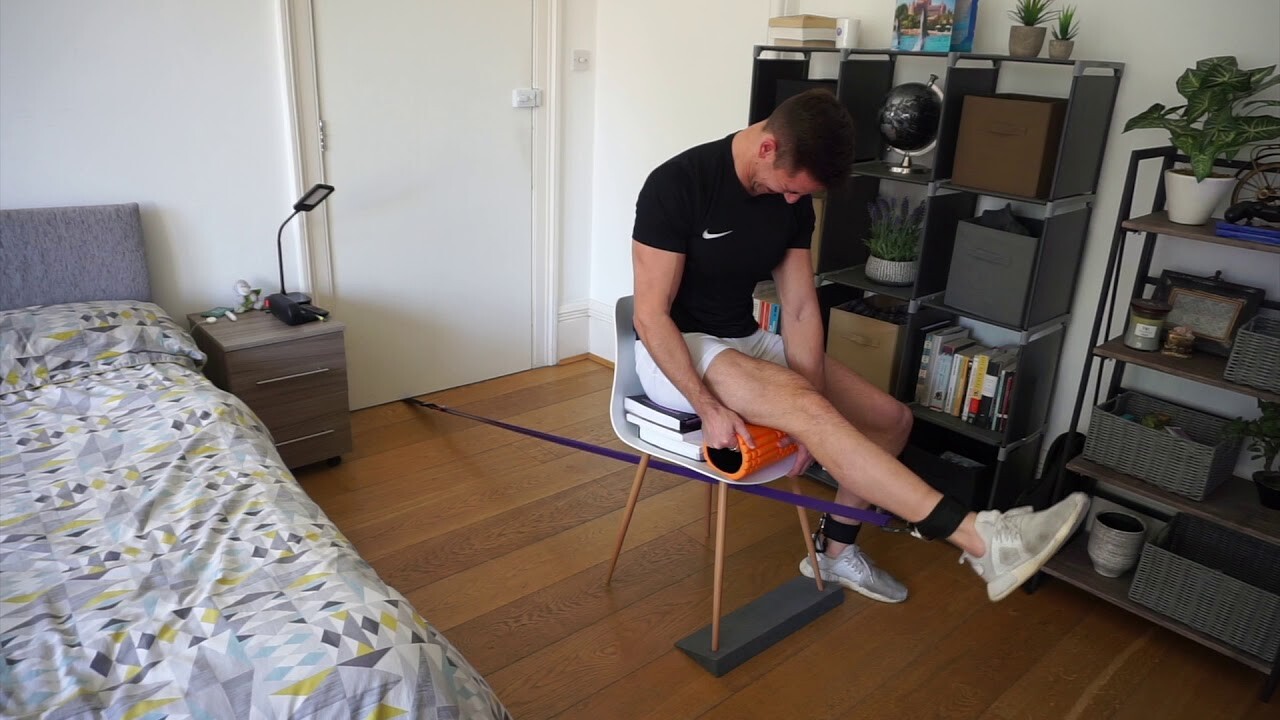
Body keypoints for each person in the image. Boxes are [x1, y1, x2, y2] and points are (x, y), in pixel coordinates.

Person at [628, 88, 1088, 604]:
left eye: (802, 195)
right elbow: (650, 314)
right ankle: (981, 539)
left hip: (744, 340)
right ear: (767, 148)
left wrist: (811, 412)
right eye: (791, 188)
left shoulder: (792, 201)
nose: (792, 201)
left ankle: (836, 552)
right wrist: (707, 406)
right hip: (678, 351)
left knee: (891, 420)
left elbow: (800, 310)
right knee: (809, 409)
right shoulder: (678, 184)